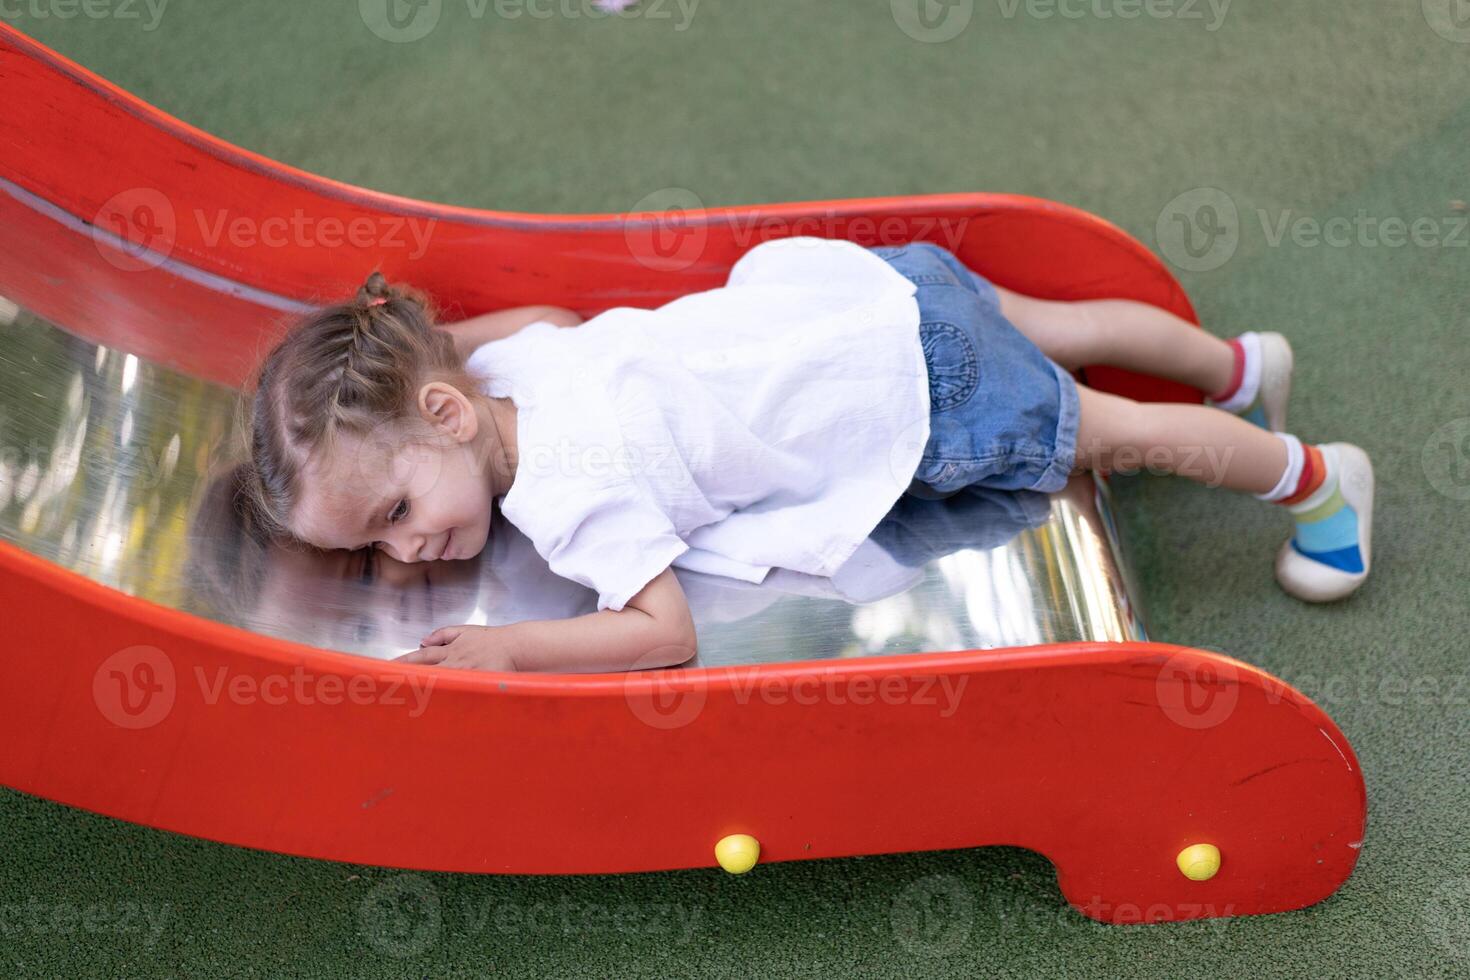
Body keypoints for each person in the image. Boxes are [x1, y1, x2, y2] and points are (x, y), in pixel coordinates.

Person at [238, 237, 1374, 672]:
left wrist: (510, 649)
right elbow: (544, 318)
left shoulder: (572, 499)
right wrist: (431, 364)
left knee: (1118, 434)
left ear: (442, 413)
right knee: (1063, 329)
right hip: (867, 292)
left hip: (918, 396)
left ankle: (1320, 483)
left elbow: (662, 633)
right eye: (378, 547)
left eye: (391, 514)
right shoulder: (519, 372)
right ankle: (1233, 362)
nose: (406, 552)